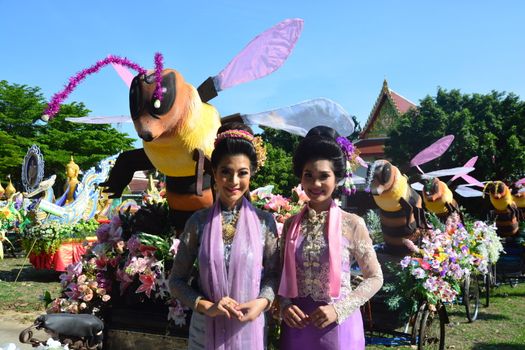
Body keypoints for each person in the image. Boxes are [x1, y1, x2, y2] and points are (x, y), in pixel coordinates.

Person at [169, 122, 279, 350]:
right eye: (226, 172)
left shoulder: (264, 223)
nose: (234, 181)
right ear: (214, 173)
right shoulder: (198, 222)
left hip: (249, 330)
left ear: (252, 174)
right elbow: (177, 281)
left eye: (242, 173)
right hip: (205, 331)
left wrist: (262, 302)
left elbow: (274, 274)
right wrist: (208, 306)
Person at [278, 126, 383, 350]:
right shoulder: (290, 225)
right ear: (301, 178)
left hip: (339, 327)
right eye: (309, 176)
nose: (315, 184)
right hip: (296, 327)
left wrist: (339, 309)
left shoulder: (352, 223)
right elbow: (279, 274)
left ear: (337, 178)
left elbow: (375, 277)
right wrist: (285, 306)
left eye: (324, 176)